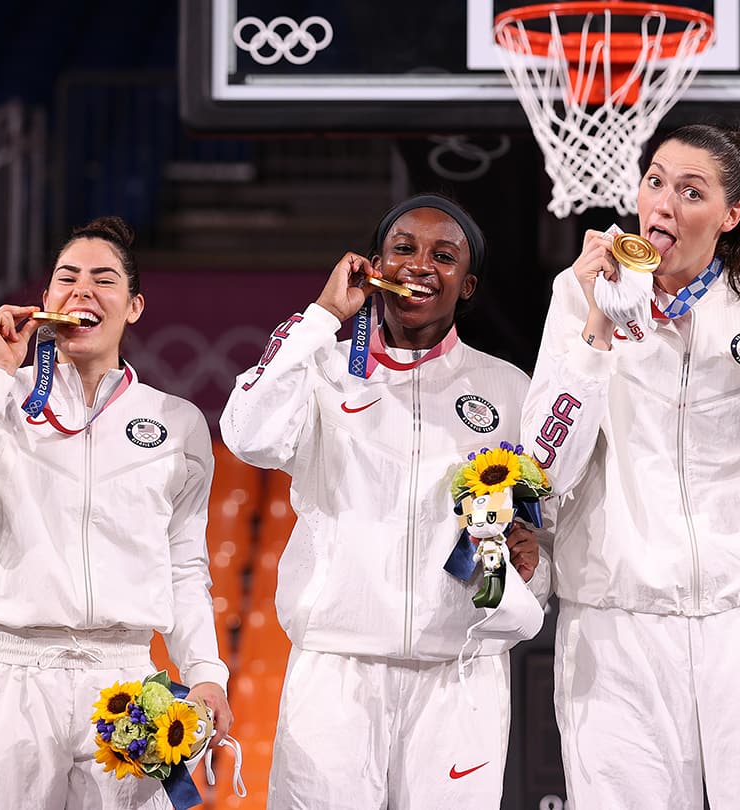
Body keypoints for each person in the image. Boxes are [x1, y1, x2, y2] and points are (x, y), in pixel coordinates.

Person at [522, 124, 740, 808]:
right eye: (655, 181)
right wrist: (595, 328)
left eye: (690, 190)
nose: (663, 203)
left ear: (730, 216)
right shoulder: (579, 291)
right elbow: (545, 465)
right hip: (620, 620)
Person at [219, 194, 549, 809]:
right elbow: (247, 434)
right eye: (404, 249)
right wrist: (322, 316)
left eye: (443, 256)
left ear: (467, 283)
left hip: (460, 677)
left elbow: (540, 536)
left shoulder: (509, 388)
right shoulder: (322, 371)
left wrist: (531, 567)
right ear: (372, 265)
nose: (421, 264)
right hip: (336, 672)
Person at [0, 216, 233, 810]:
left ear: (134, 307)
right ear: (45, 302)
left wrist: (206, 671)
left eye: (103, 279)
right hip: (10, 673)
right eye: (67, 277)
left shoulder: (177, 423)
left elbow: (184, 565)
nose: (82, 291)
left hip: (126, 682)